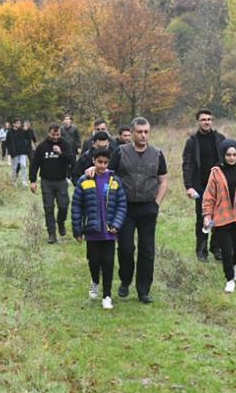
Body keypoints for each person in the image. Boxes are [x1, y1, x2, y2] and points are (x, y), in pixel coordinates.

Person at [89, 117, 168, 304]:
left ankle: (143, 290)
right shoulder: (120, 152)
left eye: (146, 132)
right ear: (132, 133)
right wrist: (91, 170)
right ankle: (125, 280)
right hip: (125, 207)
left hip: (148, 206)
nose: (143, 135)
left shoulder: (157, 154)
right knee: (126, 248)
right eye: (139, 132)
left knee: (147, 249)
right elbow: (109, 174)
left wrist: (157, 203)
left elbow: (163, 179)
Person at [71, 147, 127, 310]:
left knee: (109, 262)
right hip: (92, 230)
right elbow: (77, 207)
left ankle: (107, 295)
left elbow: (121, 205)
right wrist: (78, 230)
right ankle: (95, 280)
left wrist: (116, 224)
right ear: (93, 162)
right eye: (99, 162)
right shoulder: (84, 180)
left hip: (109, 232)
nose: (102, 165)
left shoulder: (114, 181)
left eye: (105, 162)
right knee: (94, 261)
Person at [202, 139, 236, 293]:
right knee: (226, 251)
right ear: (223, 155)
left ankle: (233, 264)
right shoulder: (215, 173)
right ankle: (230, 279)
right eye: (228, 155)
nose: (232, 158)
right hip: (222, 218)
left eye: (234, 155)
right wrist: (207, 216)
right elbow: (209, 197)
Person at [181, 109, 225, 261]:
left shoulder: (220, 139)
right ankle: (201, 250)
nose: (206, 122)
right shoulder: (192, 142)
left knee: (219, 218)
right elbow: (187, 165)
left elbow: (228, 162)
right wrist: (189, 186)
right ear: (198, 122)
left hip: (219, 186)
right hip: (200, 185)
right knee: (202, 219)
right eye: (203, 119)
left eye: (209, 119)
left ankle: (216, 248)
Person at [30, 123, 74, 243]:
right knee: (48, 208)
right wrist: (33, 180)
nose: (55, 137)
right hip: (46, 181)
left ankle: (60, 222)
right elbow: (34, 164)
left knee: (63, 205)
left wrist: (61, 153)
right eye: (53, 134)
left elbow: (71, 159)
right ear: (49, 133)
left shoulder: (65, 144)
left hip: (61, 180)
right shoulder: (42, 146)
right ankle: (52, 234)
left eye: (58, 134)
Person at [5, 119, 33, 186]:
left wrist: (27, 131)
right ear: (13, 124)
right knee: (14, 167)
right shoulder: (10, 132)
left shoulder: (22, 131)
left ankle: (24, 181)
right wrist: (10, 152)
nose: (19, 124)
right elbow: (8, 143)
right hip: (14, 153)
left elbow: (28, 138)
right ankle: (14, 181)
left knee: (23, 165)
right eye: (17, 123)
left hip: (22, 151)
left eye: (19, 123)